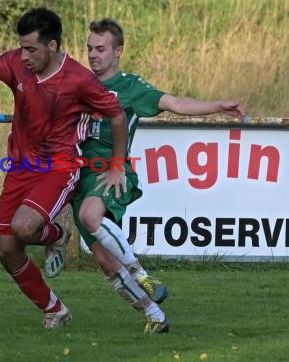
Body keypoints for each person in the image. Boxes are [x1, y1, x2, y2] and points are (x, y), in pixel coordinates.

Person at [0, 8, 135, 329]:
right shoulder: (19, 63)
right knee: (7, 250)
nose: (23, 55)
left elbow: (116, 114)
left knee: (23, 228)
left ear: (52, 46)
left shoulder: (78, 79)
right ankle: (54, 309)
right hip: (21, 167)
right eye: (21, 47)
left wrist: (117, 164)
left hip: (59, 167)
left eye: (31, 49)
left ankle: (57, 234)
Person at [45, 18, 245, 333]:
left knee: (90, 215)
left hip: (112, 172)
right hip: (80, 177)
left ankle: (142, 275)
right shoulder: (80, 83)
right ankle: (154, 315)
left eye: (101, 49)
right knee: (104, 260)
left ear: (118, 51)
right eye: (89, 48)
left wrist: (217, 104)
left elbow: (175, 103)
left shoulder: (132, 87)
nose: (93, 55)